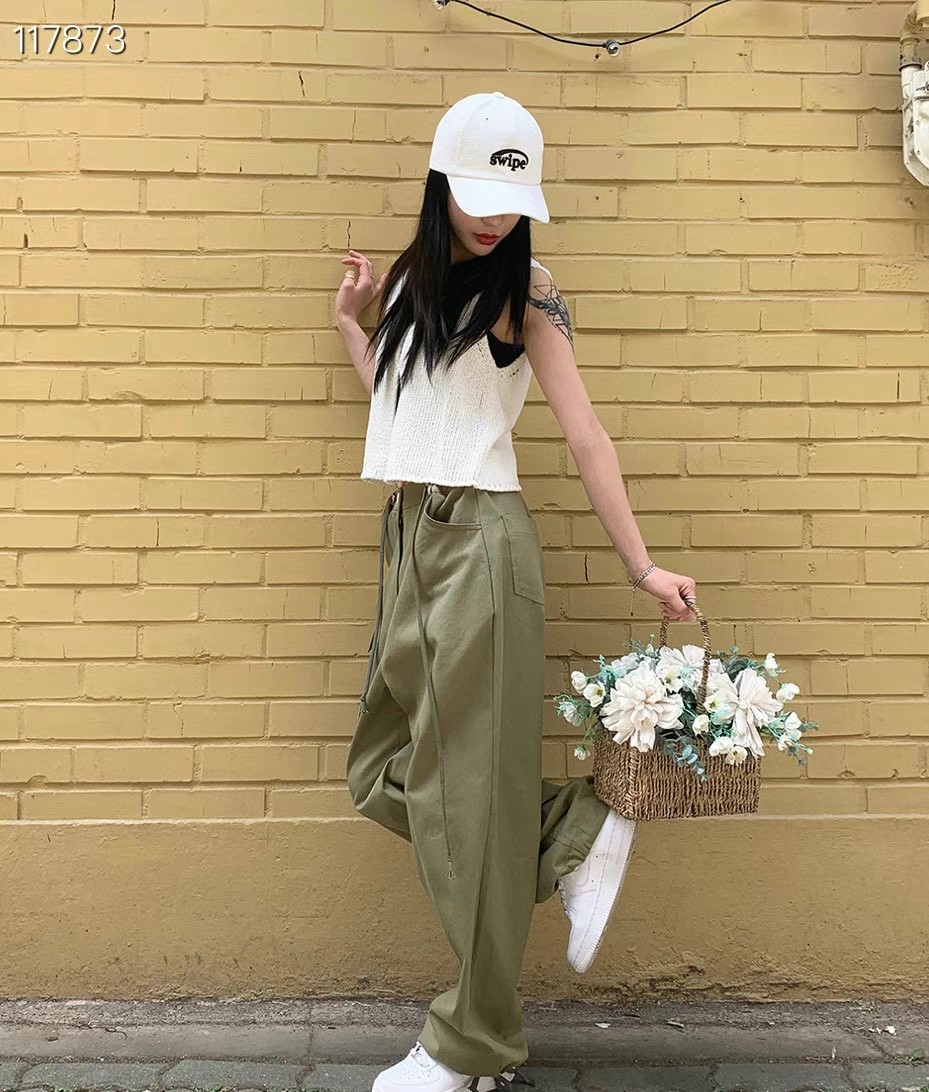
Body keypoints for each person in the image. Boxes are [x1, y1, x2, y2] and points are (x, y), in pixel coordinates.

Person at [335, 92, 698, 1092]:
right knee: (383, 772)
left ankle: (469, 1046)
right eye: (474, 194)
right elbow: (402, 409)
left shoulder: (526, 294)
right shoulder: (415, 279)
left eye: (509, 199)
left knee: (469, 803)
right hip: (412, 537)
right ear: (439, 184)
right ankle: (576, 832)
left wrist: (640, 565)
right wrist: (351, 326)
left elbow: (585, 437)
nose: (492, 217)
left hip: (481, 548)